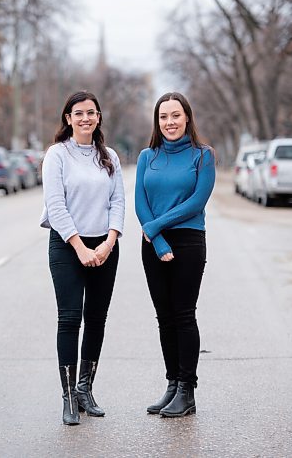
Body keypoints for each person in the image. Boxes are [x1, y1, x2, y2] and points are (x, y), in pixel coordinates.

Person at [40, 90, 125, 425]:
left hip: (104, 246)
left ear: (99, 117)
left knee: (97, 319)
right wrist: (80, 247)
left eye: (91, 112)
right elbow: (56, 206)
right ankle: (67, 398)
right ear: (68, 118)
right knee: (69, 319)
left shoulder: (110, 157)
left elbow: (117, 202)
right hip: (66, 245)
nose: (85, 118)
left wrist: (108, 243)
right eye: (79, 113)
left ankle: (85, 390)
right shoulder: (57, 155)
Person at [135, 91, 215, 418]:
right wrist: (156, 239)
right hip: (153, 244)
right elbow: (140, 201)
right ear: (158, 121)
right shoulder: (146, 156)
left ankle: (187, 390)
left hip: (189, 241)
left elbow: (196, 202)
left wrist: (156, 227)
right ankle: (172, 385)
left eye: (175, 116)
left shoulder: (203, 155)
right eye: (163, 117)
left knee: (183, 314)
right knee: (164, 318)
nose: (170, 122)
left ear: (187, 118)